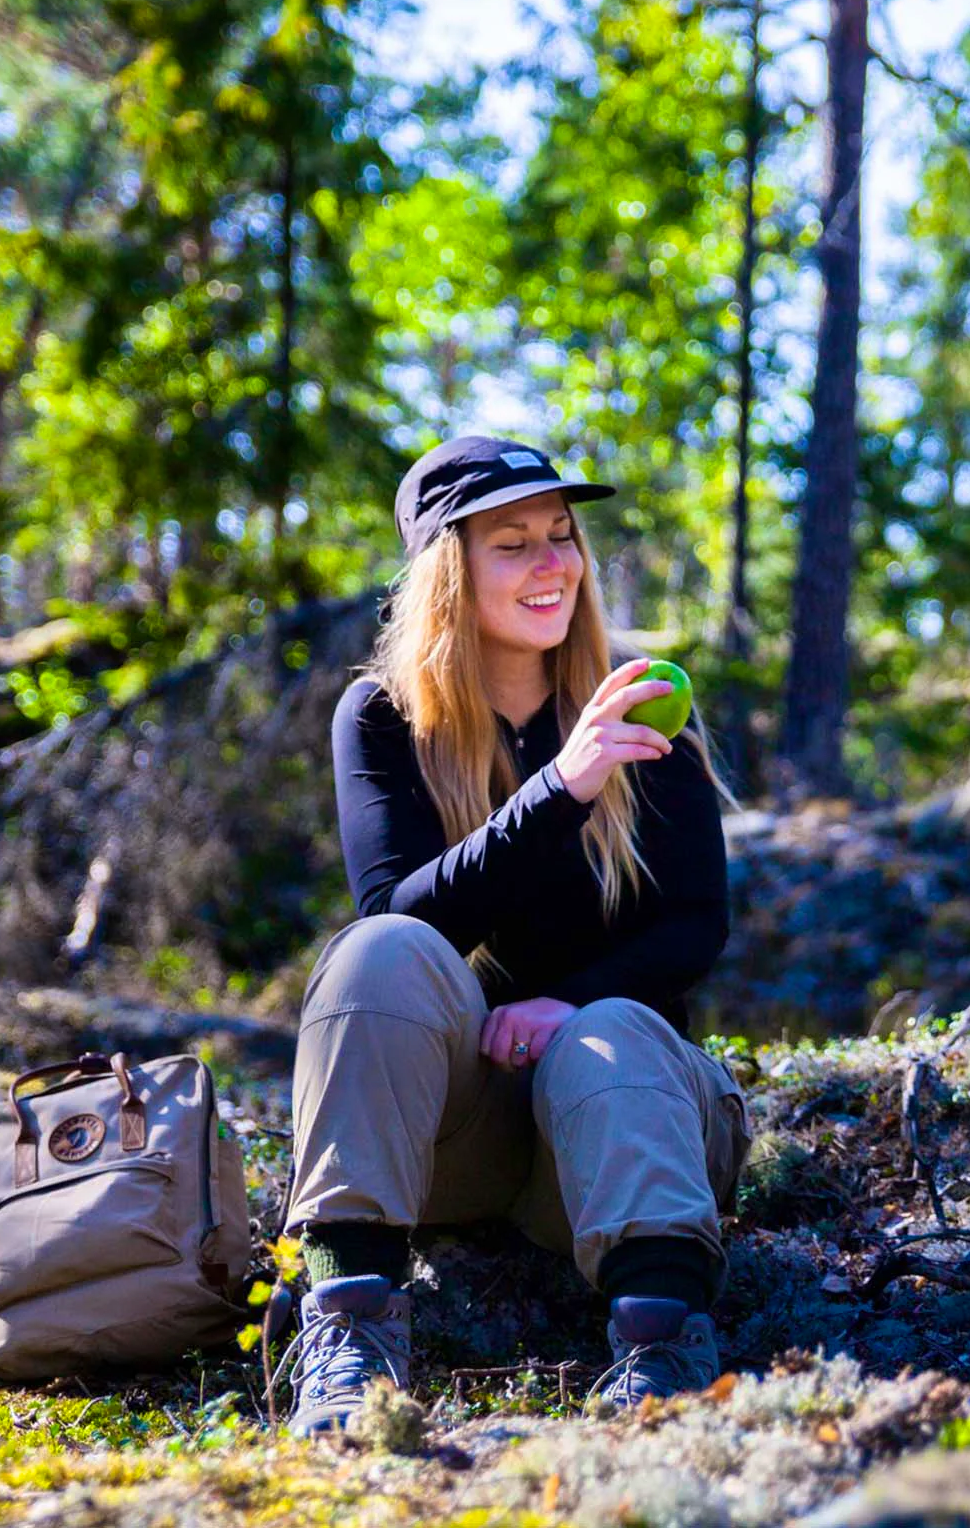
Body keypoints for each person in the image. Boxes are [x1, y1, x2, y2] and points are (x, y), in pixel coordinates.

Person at [272, 435, 748, 1436]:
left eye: (562, 537)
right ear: (451, 569)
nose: (552, 564)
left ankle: (663, 1345)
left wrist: (561, 1004)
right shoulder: (383, 718)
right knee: (376, 955)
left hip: (632, 1127)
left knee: (604, 1027)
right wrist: (561, 789)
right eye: (514, 542)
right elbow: (401, 916)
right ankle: (351, 1330)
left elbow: (698, 927)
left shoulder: (640, 711)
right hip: (470, 1142)